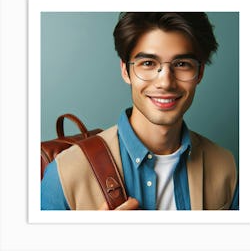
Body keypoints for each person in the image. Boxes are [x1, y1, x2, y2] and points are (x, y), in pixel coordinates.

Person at [41, 12, 239, 210]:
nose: (165, 82)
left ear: (200, 72)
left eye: (181, 64)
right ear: (125, 71)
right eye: (148, 63)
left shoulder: (226, 167)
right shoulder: (64, 174)